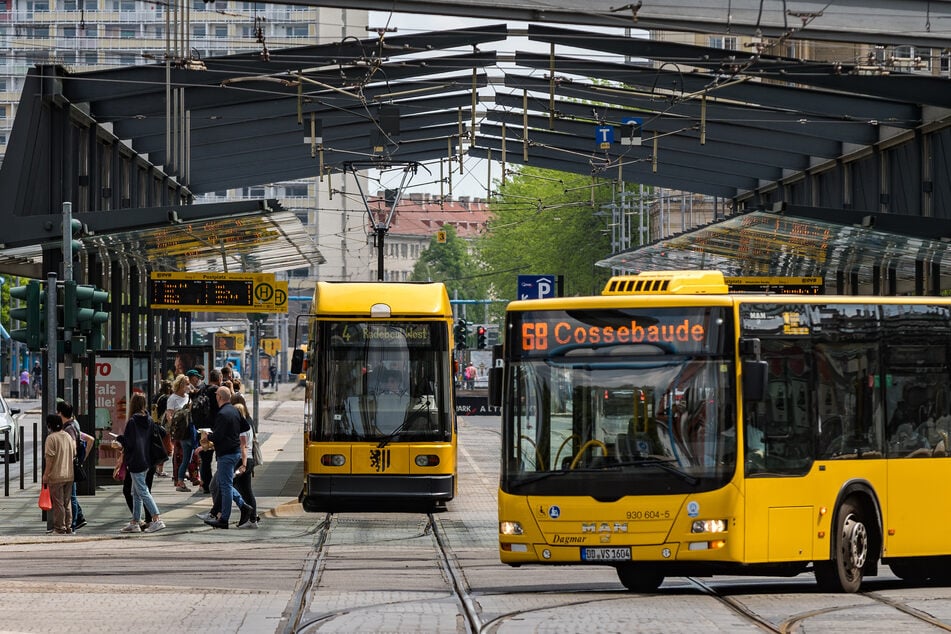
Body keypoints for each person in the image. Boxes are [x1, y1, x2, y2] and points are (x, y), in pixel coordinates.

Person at [115, 392, 166, 533]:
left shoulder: (132, 422)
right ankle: (135, 522)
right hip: (146, 460)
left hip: (135, 460)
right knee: (136, 492)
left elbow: (129, 442)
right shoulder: (149, 420)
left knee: (142, 491)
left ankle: (157, 519)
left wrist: (119, 439)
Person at [203, 385, 252, 529]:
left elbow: (217, 436)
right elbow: (245, 427)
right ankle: (244, 507)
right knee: (227, 485)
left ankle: (224, 519)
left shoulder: (222, 414)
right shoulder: (235, 411)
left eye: (216, 395)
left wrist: (207, 436)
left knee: (224, 487)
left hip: (226, 454)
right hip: (235, 452)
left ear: (219, 397)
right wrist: (232, 431)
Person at [56, 400, 92, 532]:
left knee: (72, 496)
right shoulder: (73, 424)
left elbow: (72, 447)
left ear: (60, 413)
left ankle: (74, 523)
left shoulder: (69, 428)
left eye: (57, 412)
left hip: (69, 465)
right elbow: (90, 440)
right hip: (72, 464)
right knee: (71, 495)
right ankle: (76, 520)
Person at [42, 414, 75, 535]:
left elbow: (49, 459)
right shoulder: (67, 436)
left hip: (56, 475)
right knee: (67, 503)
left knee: (58, 503)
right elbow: (74, 452)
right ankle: (68, 526)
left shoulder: (51, 438)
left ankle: (59, 528)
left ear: (49, 425)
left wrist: (46, 475)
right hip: (69, 474)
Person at [166, 374, 196, 492]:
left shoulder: (189, 397)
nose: (188, 386)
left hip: (191, 430)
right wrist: (174, 426)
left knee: (189, 458)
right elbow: (169, 414)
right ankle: (180, 480)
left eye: (188, 383)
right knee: (187, 457)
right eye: (186, 383)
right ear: (180, 384)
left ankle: (181, 480)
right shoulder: (173, 398)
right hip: (182, 433)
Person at [197, 368, 222, 494]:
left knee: (205, 459)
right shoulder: (216, 391)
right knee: (220, 456)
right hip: (215, 428)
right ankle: (217, 483)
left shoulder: (202, 389)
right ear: (219, 379)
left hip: (202, 429)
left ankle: (206, 484)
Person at [152, 380, 173, 479]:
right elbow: (167, 413)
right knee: (166, 448)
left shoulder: (157, 396)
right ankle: (160, 470)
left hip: (155, 424)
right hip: (162, 426)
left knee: (158, 446)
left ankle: (157, 469)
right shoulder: (166, 398)